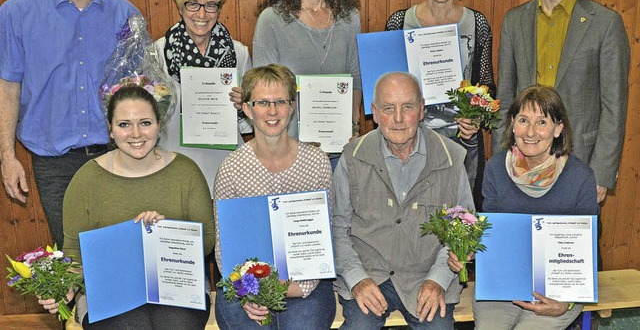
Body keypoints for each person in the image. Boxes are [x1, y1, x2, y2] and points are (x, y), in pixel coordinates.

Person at [0, 0, 139, 248]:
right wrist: (6, 155)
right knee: (72, 260)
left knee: (122, 253)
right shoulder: (17, 13)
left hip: (117, 154)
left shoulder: (126, 15)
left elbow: (138, 89)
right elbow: (8, 86)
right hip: (54, 163)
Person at [39, 84, 215, 328]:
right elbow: (74, 250)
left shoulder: (186, 172)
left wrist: (164, 233)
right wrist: (66, 286)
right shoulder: (86, 180)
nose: (136, 133)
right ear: (110, 130)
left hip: (175, 283)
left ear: (159, 125)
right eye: (124, 124)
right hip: (109, 287)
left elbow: (207, 239)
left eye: (145, 123)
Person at [493, 0, 630, 205]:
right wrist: (499, 162)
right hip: (521, 164)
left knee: (571, 250)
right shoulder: (514, 22)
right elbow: (505, 99)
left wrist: (601, 175)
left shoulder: (606, 24)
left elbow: (613, 107)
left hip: (579, 166)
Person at [332, 71, 474, 329]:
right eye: (388, 108)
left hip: (426, 277)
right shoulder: (353, 157)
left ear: (421, 110)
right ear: (374, 112)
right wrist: (357, 279)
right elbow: (336, 229)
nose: (398, 119)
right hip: (369, 276)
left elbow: (463, 231)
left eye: (407, 107)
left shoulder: (450, 158)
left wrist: (438, 280)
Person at [449, 85, 598, 329]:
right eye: (523, 120)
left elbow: (585, 249)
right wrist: (468, 252)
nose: (530, 132)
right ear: (512, 124)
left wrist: (567, 302)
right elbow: (491, 234)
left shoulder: (580, 177)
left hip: (558, 289)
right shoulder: (496, 168)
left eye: (542, 122)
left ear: (558, 128)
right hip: (503, 286)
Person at [213, 64, 335, 329]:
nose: (272, 111)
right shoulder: (231, 169)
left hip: (307, 284)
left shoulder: (316, 162)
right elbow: (225, 249)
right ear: (246, 108)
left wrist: (296, 286)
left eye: (280, 101)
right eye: (262, 102)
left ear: (292, 106)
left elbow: (325, 236)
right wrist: (248, 291)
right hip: (245, 288)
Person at [385, 0, 495, 210]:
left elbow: (487, 85)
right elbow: (385, 89)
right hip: (409, 143)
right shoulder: (399, 23)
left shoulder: (477, 23)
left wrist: (477, 119)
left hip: (462, 143)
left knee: (460, 222)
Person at [252, 0, 362, 145]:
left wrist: (354, 125)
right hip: (288, 148)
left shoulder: (350, 18)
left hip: (340, 144)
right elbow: (263, 90)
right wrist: (291, 145)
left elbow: (355, 78)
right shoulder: (271, 20)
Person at [155, 0, 252, 190]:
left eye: (210, 5)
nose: (202, 14)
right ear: (180, 7)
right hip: (175, 162)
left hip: (225, 162)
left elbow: (249, 121)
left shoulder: (239, 53)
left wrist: (242, 106)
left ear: (219, 10)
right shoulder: (158, 53)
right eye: (193, 4)